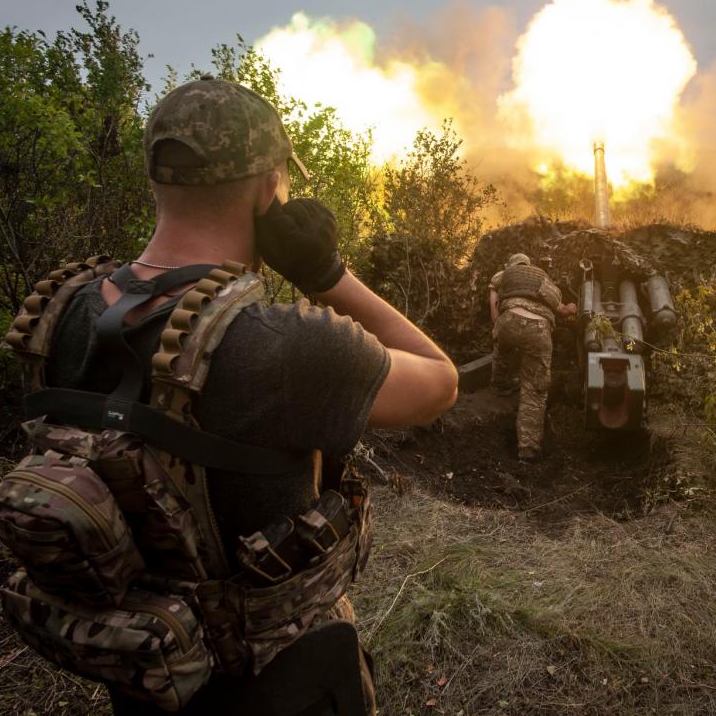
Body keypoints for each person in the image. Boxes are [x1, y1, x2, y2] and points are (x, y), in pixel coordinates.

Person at [32, 76, 458, 713]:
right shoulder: (287, 345)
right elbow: (439, 380)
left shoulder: (61, 314)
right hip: (287, 682)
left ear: (156, 180)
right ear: (268, 189)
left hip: (148, 674)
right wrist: (327, 275)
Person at [489, 253, 575, 461]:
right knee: (534, 390)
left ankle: (500, 384)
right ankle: (528, 448)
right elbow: (561, 308)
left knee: (503, 350)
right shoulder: (542, 278)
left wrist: (497, 326)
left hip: (508, 320)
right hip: (538, 329)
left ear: (511, 264)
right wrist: (571, 308)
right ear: (529, 265)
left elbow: (493, 301)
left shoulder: (503, 274)